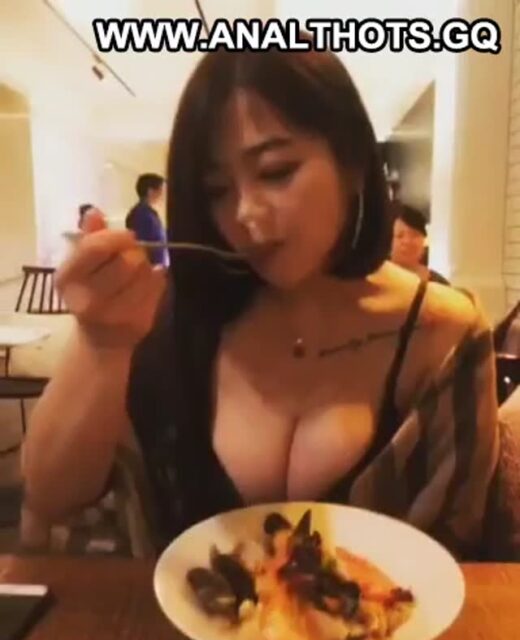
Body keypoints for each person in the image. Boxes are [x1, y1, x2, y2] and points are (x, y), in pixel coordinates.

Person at [23, 44, 498, 561]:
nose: (245, 212)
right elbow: (50, 499)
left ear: (352, 164)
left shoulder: (442, 332)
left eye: (275, 171)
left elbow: (456, 551)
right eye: (216, 189)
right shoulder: (165, 316)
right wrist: (101, 344)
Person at [391, 203, 450, 285]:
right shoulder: (377, 280)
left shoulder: (439, 282)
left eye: (414, 235)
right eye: (399, 236)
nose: (407, 241)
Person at [125, 173, 167, 266]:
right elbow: (142, 246)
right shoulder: (142, 215)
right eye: (160, 190)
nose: (162, 195)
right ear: (150, 191)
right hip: (148, 268)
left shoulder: (149, 214)